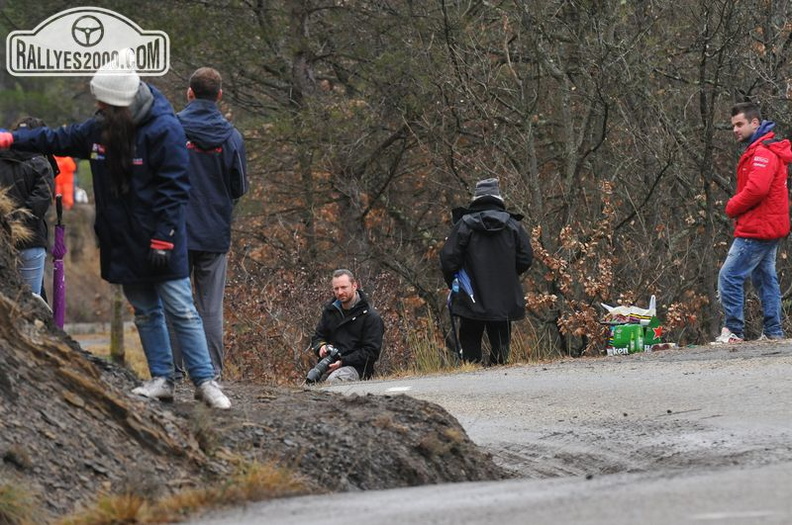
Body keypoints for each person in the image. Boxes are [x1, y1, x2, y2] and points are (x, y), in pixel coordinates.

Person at [0, 64, 231, 409]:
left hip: (161, 239)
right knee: (145, 311)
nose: (100, 111)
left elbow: (176, 188)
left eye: (105, 106)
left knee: (181, 308)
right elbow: (58, 137)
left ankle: (205, 381)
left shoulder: (163, 129)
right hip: (122, 239)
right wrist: (13, 139)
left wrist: (164, 238)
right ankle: (162, 379)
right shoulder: (102, 128)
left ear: (123, 104)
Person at [170, 67, 248, 381]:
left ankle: (173, 372)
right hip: (215, 232)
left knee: (173, 303)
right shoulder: (231, 137)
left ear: (189, 93)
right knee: (210, 308)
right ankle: (212, 374)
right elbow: (239, 187)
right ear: (219, 96)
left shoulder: (171, 128)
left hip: (174, 229)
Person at [712, 102, 792, 344]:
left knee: (729, 276)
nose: (735, 129)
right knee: (765, 279)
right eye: (733, 125)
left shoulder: (763, 153)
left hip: (758, 228)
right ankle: (773, 332)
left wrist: (732, 206)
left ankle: (734, 330)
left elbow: (757, 189)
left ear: (754, 123)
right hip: (768, 227)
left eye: (740, 124)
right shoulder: (762, 149)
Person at [440, 178, 533, 365]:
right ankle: (499, 382)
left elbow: (448, 259)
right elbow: (526, 258)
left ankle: (472, 381)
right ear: (498, 197)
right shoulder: (513, 226)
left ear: (476, 197)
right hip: (504, 297)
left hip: (470, 295)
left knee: (470, 342)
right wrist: (509, 274)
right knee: (501, 345)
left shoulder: (464, 225)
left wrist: (455, 282)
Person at [0, 117, 55, 298]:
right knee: (32, 300)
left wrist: (6, 226)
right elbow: (41, 200)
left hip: (3, 241)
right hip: (30, 240)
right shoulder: (40, 164)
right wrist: (19, 225)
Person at [310, 269, 384, 382]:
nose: (340, 292)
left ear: (354, 286)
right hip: (328, 365)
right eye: (336, 288)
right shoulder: (330, 312)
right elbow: (318, 337)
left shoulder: (371, 317)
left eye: (344, 287)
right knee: (309, 386)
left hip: (356, 369)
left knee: (334, 382)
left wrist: (343, 361)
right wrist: (321, 347)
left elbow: (371, 352)